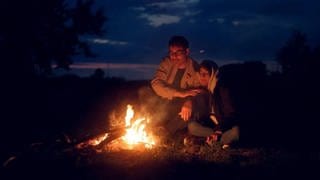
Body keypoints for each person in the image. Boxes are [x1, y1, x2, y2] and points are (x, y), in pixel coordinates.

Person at [139, 35, 201, 136]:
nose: (174, 56)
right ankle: (149, 122)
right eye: (171, 53)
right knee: (144, 91)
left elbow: (198, 91)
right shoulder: (167, 63)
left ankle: (164, 132)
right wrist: (179, 93)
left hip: (180, 105)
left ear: (187, 52)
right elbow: (156, 83)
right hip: (164, 101)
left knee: (188, 112)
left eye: (178, 53)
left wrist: (189, 101)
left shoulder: (195, 69)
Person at [187, 60, 240, 149]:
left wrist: (219, 130)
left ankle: (217, 141)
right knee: (192, 126)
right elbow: (210, 115)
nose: (202, 76)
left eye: (206, 73)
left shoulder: (222, 89)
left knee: (236, 131)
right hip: (215, 127)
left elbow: (231, 114)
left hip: (225, 126)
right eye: (201, 73)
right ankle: (216, 140)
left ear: (212, 74)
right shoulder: (209, 90)